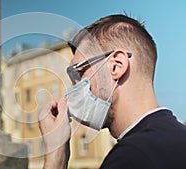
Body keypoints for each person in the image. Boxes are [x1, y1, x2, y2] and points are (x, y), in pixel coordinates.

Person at [38, 14, 186, 169]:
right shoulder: (177, 137)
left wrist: (55, 156)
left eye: (80, 73)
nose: (75, 86)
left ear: (116, 66)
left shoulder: (132, 156)